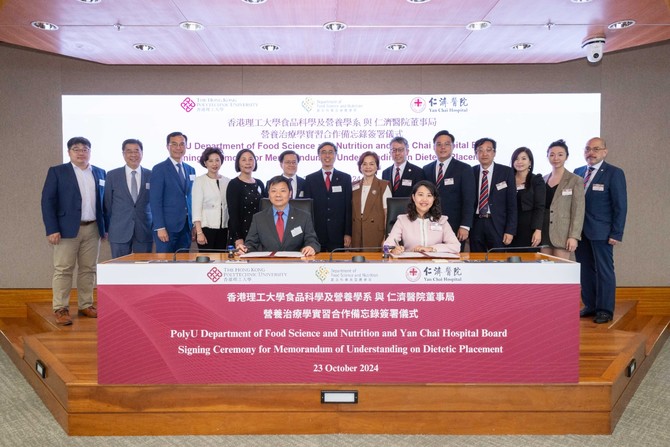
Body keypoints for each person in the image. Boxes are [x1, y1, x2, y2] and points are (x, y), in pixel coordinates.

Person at [41, 136, 105, 325]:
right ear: (69, 152)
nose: (81, 152)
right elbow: (47, 202)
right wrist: (52, 229)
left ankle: (86, 304)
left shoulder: (100, 173)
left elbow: (104, 203)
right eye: (76, 149)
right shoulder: (58, 172)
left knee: (88, 269)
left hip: (93, 228)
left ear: (90, 152)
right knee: (63, 269)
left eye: (85, 148)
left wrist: (105, 227)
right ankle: (61, 308)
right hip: (65, 230)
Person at [575, 137, 627, 324]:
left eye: (596, 149)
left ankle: (605, 310)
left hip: (603, 232)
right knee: (585, 271)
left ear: (605, 151)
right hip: (580, 232)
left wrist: (616, 233)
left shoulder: (614, 173)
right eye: (588, 149)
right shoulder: (578, 172)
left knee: (604, 271)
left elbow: (620, 206)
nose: (591, 152)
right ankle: (590, 305)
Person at [237, 176, 320, 256]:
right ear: (268, 194)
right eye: (273, 191)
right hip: (267, 265)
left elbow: (312, 240)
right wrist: (244, 249)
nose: (278, 195)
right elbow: (251, 244)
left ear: (290, 193)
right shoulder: (258, 218)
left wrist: (311, 247)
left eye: (283, 191)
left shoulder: (303, 216)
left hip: (296, 264)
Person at [422, 130, 475, 244]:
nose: (442, 147)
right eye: (439, 144)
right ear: (434, 147)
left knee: (453, 259)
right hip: (429, 224)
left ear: (453, 146)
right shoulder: (426, 169)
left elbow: (469, 200)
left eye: (447, 144)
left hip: (454, 225)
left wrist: (465, 225)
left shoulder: (464, 169)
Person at [103, 139, 152, 259]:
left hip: (144, 230)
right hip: (119, 230)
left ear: (142, 153)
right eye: (129, 151)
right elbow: (107, 204)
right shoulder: (112, 175)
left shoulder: (151, 175)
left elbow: (154, 202)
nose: (133, 155)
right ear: (123, 154)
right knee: (119, 269)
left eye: (136, 151)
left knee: (143, 269)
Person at [384, 180, 460, 254]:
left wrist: (431, 249)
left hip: (434, 264)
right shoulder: (402, 220)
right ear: (413, 197)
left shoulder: (442, 220)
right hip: (410, 264)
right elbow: (387, 245)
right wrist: (393, 250)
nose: (424, 199)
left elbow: (456, 246)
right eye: (420, 195)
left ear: (434, 199)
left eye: (429, 195)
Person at [150, 131, 195, 253]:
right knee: (165, 266)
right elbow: (155, 201)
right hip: (166, 228)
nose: (178, 148)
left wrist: (193, 224)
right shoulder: (159, 169)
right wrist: (160, 227)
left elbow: (190, 198)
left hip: (185, 227)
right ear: (167, 147)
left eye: (182, 144)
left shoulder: (190, 169)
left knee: (182, 265)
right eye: (174, 144)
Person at [469, 137, 517, 252]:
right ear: (475, 154)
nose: (484, 154)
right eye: (480, 150)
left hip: (497, 224)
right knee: (476, 260)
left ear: (494, 152)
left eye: (488, 150)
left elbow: (512, 204)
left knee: (498, 261)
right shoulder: (470, 172)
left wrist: (510, 230)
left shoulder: (506, 172)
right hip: (476, 223)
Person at [303, 142, 352, 252]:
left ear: (336, 155)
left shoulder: (345, 178)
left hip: (338, 234)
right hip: (316, 234)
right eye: (323, 152)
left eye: (331, 152)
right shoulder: (310, 179)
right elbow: (307, 210)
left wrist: (347, 233)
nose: (327, 155)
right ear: (319, 156)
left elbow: (348, 208)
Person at [540, 140, 585, 259]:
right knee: (544, 271)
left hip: (563, 234)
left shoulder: (575, 180)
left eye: (560, 154)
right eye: (552, 154)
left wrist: (573, 236)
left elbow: (578, 212)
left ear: (566, 157)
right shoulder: (542, 180)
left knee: (561, 273)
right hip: (544, 231)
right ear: (547, 156)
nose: (556, 158)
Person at [351, 151, 392, 248]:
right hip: (356, 233)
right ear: (360, 167)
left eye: (371, 164)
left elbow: (387, 214)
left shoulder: (383, 186)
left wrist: (386, 237)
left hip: (375, 233)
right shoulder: (353, 186)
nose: (367, 167)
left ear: (377, 166)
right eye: (364, 164)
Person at [226, 148, 265, 248]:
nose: (248, 162)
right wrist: (238, 237)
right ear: (238, 163)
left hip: (260, 232)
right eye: (243, 160)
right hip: (242, 234)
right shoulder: (234, 184)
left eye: (251, 159)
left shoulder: (260, 183)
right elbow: (233, 213)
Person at [192, 147, 230, 251]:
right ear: (205, 163)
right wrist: (199, 232)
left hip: (223, 228)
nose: (214, 164)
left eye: (217, 160)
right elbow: (196, 208)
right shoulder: (200, 181)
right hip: (206, 229)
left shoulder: (227, 181)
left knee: (220, 261)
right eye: (211, 161)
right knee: (206, 262)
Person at [510, 147, 545, 249]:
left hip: (528, 228)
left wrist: (538, 230)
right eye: (516, 159)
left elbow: (540, 207)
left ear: (530, 162)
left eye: (523, 158)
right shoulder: (507, 179)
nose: (519, 162)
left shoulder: (536, 180)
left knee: (528, 261)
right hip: (508, 228)